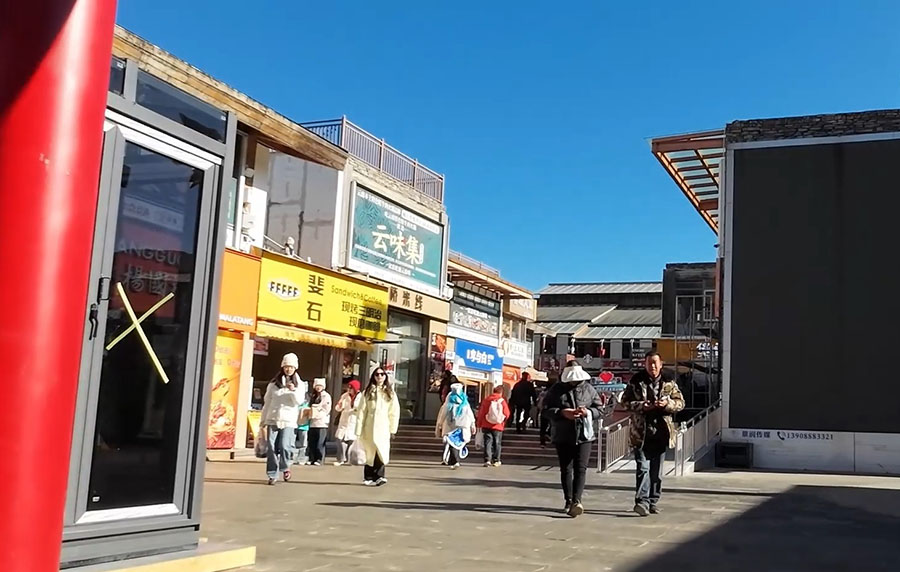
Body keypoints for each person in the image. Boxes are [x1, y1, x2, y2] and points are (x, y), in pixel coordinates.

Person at [620, 351, 685, 517]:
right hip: (641, 433)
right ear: (645, 364)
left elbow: (680, 403)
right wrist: (642, 405)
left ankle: (653, 500)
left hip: (661, 432)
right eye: (649, 363)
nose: (653, 367)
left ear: (661, 364)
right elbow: (625, 402)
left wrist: (667, 404)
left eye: (655, 363)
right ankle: (641, 501)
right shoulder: (636, 381)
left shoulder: (669, 382)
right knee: (643, 468)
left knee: (656, 471)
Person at [542, 361, 603, 517]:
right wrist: (562, 413)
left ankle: (577, 500)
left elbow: (600, 409)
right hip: (563, 433)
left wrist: (587, 412)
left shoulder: (589, 389)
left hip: (584, 434)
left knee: (581, 468)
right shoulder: (556, 390)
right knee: (566, 469)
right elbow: (546, 410)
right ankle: (568, 500)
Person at [260, 353, 303, 485]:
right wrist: (263, 419)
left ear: (295, 368)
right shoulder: (274, 384)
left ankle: (285, 467)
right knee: (272, 447)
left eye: (291, 367)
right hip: (273, 418)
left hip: (288, 419)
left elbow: (299, 401)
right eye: (286, 367)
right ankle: (272, 474)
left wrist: (293, 390)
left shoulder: (299, 384)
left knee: (284, 445)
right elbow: (267, 401)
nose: (288, 369)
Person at [355, 367, 400, 486]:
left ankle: (380, 476)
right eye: (377, 374)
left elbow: (394, 412)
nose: (379, 377)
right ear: (373, 377)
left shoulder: (390, 393)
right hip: (368, 427)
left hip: (383, 427)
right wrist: (358, 430)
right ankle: (368, 476)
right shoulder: (368, 392)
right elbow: (361, 412)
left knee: (381, 451)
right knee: (369, 452)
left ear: (385, 376)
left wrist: (392, 429)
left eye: (382, 374)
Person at [436, 383, 476, 469]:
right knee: (457, 442)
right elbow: (470, 413)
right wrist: (473, 424)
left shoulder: (449, 400)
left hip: (450, 426)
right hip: (462, 426)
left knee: (451, 443)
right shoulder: (464, 401)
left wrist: (440, 424)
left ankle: (455, 460)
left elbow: (443, 413)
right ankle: (453, 460)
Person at [476, 380, 510, 467]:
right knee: (497, 442)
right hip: (498, 426)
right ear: (501, 392)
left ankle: (487, 460)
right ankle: (496, 460)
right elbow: (507, 413)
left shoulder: (487, 400)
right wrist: (503, 421)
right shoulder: (502, 401)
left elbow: (481, 413)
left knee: (488, 442)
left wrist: (479, 423)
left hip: (486, 424)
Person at [333, 379, 362, 466]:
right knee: (340, 439)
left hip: (354, 420)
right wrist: (340, 406)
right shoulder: (344, 396)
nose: (349, 390)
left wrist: (353, 410)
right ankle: (341, 459)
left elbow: (360, 408)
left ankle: (351, 460)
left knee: (351, 441)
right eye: (348, 388)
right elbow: (337, 407)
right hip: (344, 420)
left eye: (351, 388)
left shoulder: (360, 397)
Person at [306, 378, 331, 466]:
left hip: (322, 422)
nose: (318, 388)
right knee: (312, 442)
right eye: (317, 386)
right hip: (312, 422)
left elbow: (327, 409)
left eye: (320, 386)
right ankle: (311, 458)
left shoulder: (326, 396)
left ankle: (319, 459)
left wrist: (317, 412)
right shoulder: (313, 396)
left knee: (320, 442)